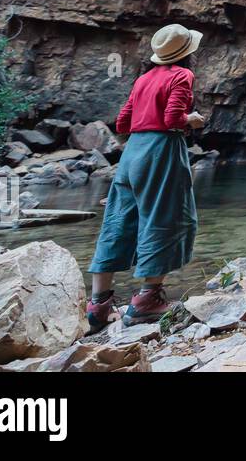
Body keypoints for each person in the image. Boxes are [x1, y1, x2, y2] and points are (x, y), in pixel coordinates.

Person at [85, 23, 208, 330]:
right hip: (161, 151)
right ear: (187, 54)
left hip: (132, 153)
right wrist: (192, 120)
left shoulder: (143, 79)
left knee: (118, 220)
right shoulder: (182, 75)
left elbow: (123, 122)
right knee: (167, 217)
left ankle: (98, 305)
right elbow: (172, 119)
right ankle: (146, 301)